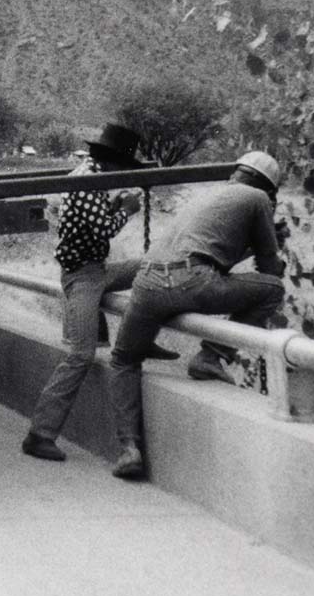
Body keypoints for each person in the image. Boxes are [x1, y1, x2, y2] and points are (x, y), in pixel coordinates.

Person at [104, 151, 287, 480]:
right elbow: (269, 268)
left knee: (123, 361)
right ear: (270, 189)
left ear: (236, 173)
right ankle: (211, 355)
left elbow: (209, 251)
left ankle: (128, 448)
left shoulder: (212, 194)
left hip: (148, 282)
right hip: (192, 281)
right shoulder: (259, 198)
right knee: (272, 288)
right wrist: (272, 242)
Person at [21, 123, 179, 468]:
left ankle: (142, 336)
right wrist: (127, 209)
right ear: (112, 162)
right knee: (80, 352)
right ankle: (40, 434)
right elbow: (103, 228)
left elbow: (95, 223)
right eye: (124, 167)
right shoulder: (87, 183)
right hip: (82, 275)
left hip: (95, 269)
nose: (123, 174)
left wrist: (116, 204)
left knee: (150, 266)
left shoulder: (90, 177)